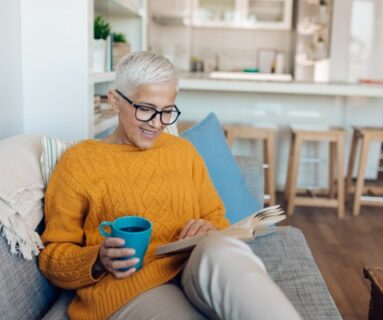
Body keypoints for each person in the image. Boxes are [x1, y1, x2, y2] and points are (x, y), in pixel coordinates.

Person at [39, 51, 301, 320]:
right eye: (146, 109)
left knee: (223, 250)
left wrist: (209, 228)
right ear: (115, 100)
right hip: (134, 286)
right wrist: (97, 260)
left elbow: (216, 218)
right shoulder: (79, 161)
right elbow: (53, 255)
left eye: (167, 112)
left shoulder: (183, 152)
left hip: (194, 265)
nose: (157, 124)